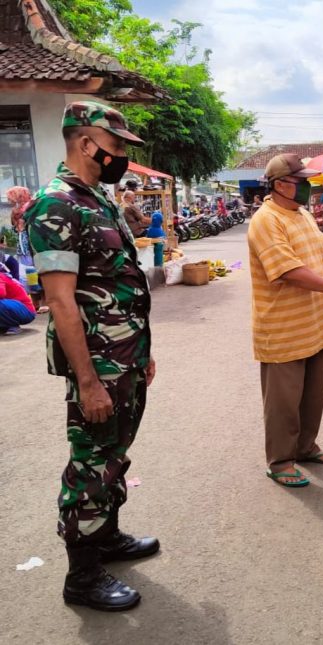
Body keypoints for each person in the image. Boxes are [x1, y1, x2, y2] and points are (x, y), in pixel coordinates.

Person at [24, 100, 158, 611]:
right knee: (90, 464)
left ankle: (107, 538)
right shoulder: (56, 203)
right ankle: (82, 575)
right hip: (97, 367)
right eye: (117, 146)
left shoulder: (97, 199)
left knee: (113, 455)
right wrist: (87, 381)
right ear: (86, 143)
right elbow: (60, 301)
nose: (121, 155)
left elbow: (122, 285)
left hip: (123, 358)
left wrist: (142, 351)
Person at [248, 153, 323, 487]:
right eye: (301, 181)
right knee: (283, 402)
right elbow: (288, 271)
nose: (307, 186)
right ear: (281, 185)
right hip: (282, 329)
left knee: (313, 394)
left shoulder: (300, 215)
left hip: (313, 324)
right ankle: (281, 460)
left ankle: (305, 446)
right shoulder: (266, 220)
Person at [0, 264, 35, 334]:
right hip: (15, 308)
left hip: (26, 311)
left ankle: (12, 325)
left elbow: (1, 293)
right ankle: (4, 326)